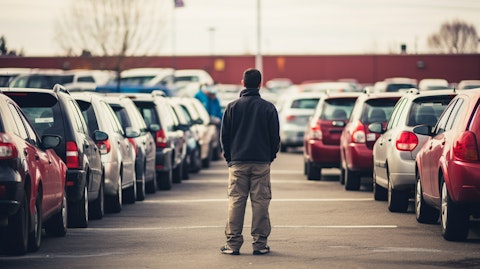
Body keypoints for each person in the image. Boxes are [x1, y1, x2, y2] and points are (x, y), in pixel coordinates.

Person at [219, 68, 280, 255]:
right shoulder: (268, 108)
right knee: (260, 202)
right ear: (260, 84)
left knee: (236, 202)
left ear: (242, 83)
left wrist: (230, 159)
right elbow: (274, 138)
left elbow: (224, 138)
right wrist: (269, 157)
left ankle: (233, 244)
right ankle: (260, 245)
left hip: (237, 163)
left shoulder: (232, 107)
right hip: (261, 162)